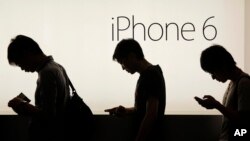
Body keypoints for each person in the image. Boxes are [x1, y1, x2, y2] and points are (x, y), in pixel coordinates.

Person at [7, 35, 70, 141]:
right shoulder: (57, 67)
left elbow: (48, 116)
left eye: (20, 63)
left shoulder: (47, 73)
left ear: (27, 54)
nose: (22, 68)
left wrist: (20, 104)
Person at [105, 38, 166, 141]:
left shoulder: (151, 75)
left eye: (122, 62)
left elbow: (151, 114)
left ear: (132, 56)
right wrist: (127, 111)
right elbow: (144, 109)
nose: (123, 68)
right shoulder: (150, 74)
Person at [194, 44, 250, 141]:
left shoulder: (244, 83)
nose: (213, 77)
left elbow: (243, 120)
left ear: (222, 66)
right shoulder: (233, 83)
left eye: (213, 72)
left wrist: (217, 105)